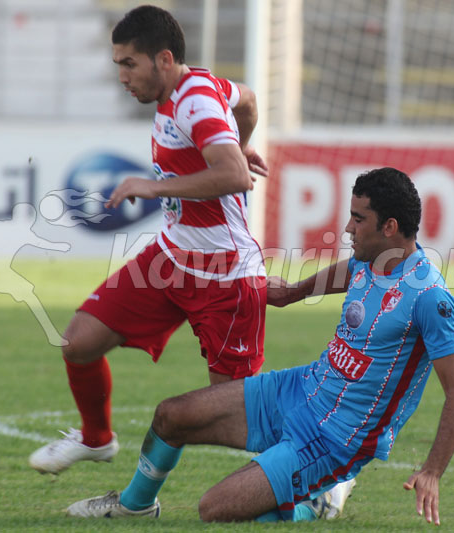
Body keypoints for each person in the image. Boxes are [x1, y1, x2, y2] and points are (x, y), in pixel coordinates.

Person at [64, 167, 454, 524]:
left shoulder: (429, 298)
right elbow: (350, 271)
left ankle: (320, 501)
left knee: (215, 509)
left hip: (335, 438)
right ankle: (134, 507)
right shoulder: (371, 259)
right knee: (172, 415)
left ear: (389, 227)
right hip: (298, 390)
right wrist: (293, 292)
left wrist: (433, 471)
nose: (348, 227)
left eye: (357, 218)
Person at [28, 5, 270, 475]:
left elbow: (235, 176)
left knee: (240, 417)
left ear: (162, 59)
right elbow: (249, 100)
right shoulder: (203, 87)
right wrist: (237, 139)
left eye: (128, 64)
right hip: (172, 257)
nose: (121, 75)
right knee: (78, 342)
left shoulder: (195, 100)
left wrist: (155, 186)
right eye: (117, 63)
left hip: (224, 275)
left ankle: (328, 468)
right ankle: (96, 440)